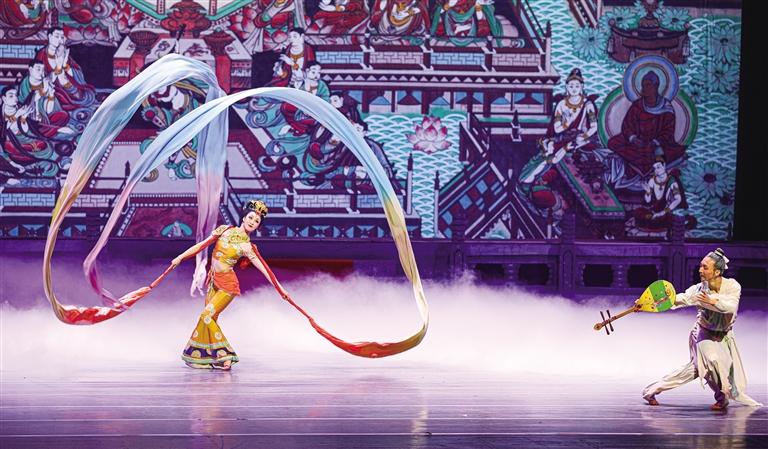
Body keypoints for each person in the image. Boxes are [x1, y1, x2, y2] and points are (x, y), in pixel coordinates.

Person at [171, 200, 287, 370]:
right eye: (251, 217)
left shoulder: (247, 247)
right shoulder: (224, 230)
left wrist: (280, 288)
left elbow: (265, 270)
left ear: (258, 226)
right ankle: (205, 356)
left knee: (206, 316)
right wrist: (180, 257)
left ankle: (226, 355)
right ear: (244, 217)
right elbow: (201, 246)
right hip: (213, 282)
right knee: (210, 320)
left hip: (227, 285)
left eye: (256, 221)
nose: (252, 222)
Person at [642, 248, 762, 410]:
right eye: (700, 266)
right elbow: (680, 299)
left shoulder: (732, 286)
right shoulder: (699, 290)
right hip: (703, 334)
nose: (700, 270)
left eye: (705, 267)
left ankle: (651, 390)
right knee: (713, 362)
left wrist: (713, 301)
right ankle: (722, 398)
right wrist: (649, 303)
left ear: (717, 272)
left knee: (696, 370)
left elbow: (730, 307)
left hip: (724, 336)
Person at [607, 70, 686, 177]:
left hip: (656, 144)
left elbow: (668, 132)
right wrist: (633, 138)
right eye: (643, 85)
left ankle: (649, 168)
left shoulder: (666, 107)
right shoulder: (638, 105)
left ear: (656, 86)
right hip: (637, 143)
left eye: (648, 85)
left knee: (658, 153)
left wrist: (654, 142)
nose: (644, 89)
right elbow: (627, 126)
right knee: (613, 142)